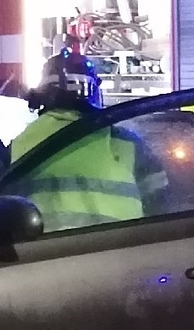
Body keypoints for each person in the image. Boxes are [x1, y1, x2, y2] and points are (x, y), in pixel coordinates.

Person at [9, 55, 144, 232]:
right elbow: (163, 205)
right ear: (95, 90)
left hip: (45, 254)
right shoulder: (128, 142)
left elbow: (1, 209)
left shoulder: (19, 144)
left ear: (44, 92)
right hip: (122, 250)